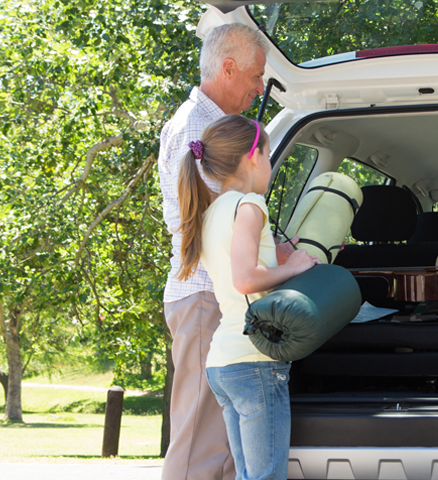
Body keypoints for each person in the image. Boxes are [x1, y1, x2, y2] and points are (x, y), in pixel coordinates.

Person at [158, 23, 283, 480]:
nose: (258, 89)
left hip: (214, 299)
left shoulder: (204, 126)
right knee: (197, 446)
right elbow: (225, 230)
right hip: (208, 296)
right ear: (228, 68)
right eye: (255, 77)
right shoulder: (199, 127)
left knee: (225, 452)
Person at [177, 114, 318, 480]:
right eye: (269, 156)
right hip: (255, 359)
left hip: (223, 362)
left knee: (248, 477)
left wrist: (278, 256)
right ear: (253, 156)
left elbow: (238, 268)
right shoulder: (250, 204)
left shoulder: (210, 213)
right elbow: (246, 279)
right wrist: (296, 266)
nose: (269, 166)